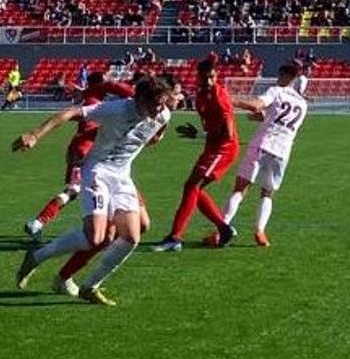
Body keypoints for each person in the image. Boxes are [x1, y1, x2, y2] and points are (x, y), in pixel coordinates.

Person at [12, 76, 174, 305]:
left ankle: (90, 286)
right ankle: (37, 257)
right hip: (97, 171)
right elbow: (69, 113)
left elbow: (159, 130)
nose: (159, 109)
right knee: (95, 237)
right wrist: (35, 134)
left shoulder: (163, 115)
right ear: (139, 99)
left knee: (132, 237)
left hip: (122, 176)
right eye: (155, 104)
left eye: (162, 103)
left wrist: (157, 136)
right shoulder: (115, 109)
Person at [23, 72, 136, 242]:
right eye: (105, 81)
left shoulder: (88, 97)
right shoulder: (94, 102)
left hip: (76, 149)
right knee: (77, 190)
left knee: (73, 190)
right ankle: (39, 222)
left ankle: (39, 222)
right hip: (86, 151)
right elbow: (126, 92)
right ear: (100, 84)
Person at [153, 55, 238, 252]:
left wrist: (199, 134)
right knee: (194, 189)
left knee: (192, 186)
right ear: (198, 77)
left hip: (223, 148)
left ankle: (175, 237)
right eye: (206, 77)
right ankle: (224, 229)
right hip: (212, 146)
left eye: (212, 77)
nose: (209, 81)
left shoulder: (219, 96)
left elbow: (228, 134)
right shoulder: (201, 92)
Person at [217, 64, 309, 247]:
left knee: (240, 188)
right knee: (267, 192)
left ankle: (221, 229)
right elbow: (275, 117)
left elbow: (256, 106)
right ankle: (260, 231)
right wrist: (260, 116)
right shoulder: (303, 104)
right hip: (282, 150)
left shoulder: (277, 91)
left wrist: (230, 99)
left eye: (279, 74)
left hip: (263, 144)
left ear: (284, 75)